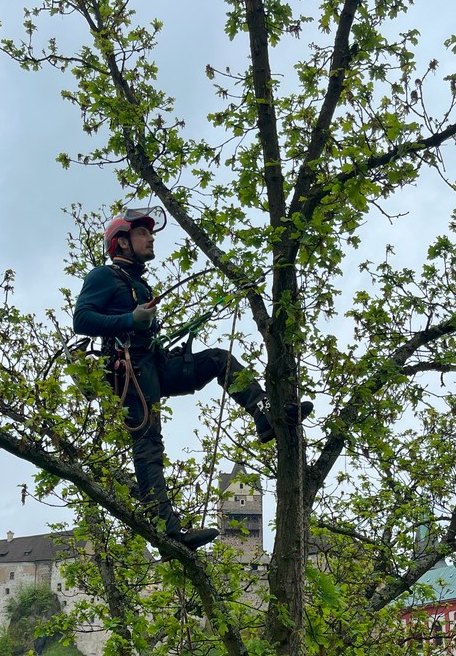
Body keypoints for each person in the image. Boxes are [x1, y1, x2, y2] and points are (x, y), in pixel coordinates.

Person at [73, 209, 311, 549]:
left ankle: (265, 416)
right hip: (131, 372)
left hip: (154, 363)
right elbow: (82, 319)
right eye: (143, 234)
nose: (151, 238)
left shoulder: (138, 283)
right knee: (148, 443)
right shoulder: (103, 276)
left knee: (218, 359)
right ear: (122, 242)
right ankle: (168, 533)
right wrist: (131, 319)